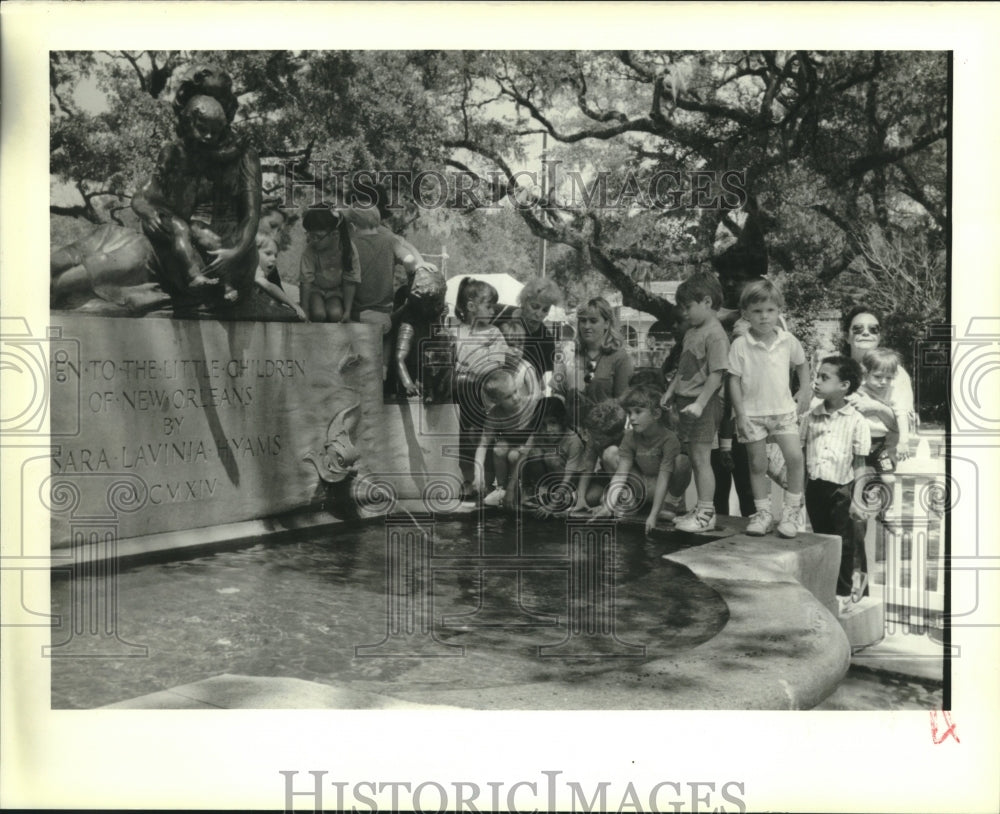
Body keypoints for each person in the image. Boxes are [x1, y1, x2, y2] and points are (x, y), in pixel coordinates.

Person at [727, 279, 811, 537]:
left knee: (795, 458)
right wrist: (740, 414)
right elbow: (733, 379)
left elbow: (802, 364)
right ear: (746, 314)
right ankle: (763, 513)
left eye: (770, 311)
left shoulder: (787, 340)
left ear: (778, 311)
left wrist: (805, 389)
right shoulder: (740, 345)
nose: (764, 317)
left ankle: (791, 512)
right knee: (757, 464)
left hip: (783, 411)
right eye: (757, 311)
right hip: (752, 414)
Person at [801, 355, 872, 611]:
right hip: (815, 488)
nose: (816, 382)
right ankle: (827, 593)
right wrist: (798, 492)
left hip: (842, 490)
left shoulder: (856, 420)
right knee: (821, 541)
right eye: (817, 376)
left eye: (824, 377)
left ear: (844, 385)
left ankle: (844, 594)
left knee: (844, 543)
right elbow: (800, 455)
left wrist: (856, 498)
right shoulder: (811, 417)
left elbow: (860, 463)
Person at [660, 273, 730, 533]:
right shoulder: (691, 333)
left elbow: (717, 374)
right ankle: (700, 508)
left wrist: (700, 404)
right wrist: (670, 390)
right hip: (685, 402)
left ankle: (706, 512)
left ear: (707, 302)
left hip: (704, 403)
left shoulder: (716, 335)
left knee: (701, 458)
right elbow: (683, 368)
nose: (685, 313)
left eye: (688, 307)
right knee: (693, 455)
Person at [343, 206, 427, 379]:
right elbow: (410, 259)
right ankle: (384, 368)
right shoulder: (390, 242)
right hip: (382, 316)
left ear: (352, 226)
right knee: (388, 330)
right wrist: (412, 273)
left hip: (356, 315)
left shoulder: (350, 244)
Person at [592, 384, 682, 535]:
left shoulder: (669, 439)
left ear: (656, 414)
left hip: (662, 487)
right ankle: (630, 501)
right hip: (643, 485)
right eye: (629, 413)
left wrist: (653, 515)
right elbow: (620, 474)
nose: (632, 418)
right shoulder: (630, 436)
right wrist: (608, 507)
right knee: (610, 453)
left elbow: (664, 477)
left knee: (682, 462)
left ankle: (667, 506)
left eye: (638, 412)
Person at [452, 278, 508, 500]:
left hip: (485, 398)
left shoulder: (494, 333)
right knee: (464, 439)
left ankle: (488, 480)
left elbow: (497, 364)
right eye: (488, 305)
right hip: (462, 399)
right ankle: (468, 480)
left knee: (484, 438)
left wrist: (470, 368)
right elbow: (452, 365)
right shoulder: (456, 333)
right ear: (471, 306)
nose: (493, 310)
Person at [551, 297, 634, 430]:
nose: (586, 326)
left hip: (605, 435)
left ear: (607, 323)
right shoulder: (567, 352)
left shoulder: (620, 357)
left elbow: (622, 403)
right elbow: (557, 393)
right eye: (583, 321)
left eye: (593, 321)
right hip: (571, 433)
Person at [841, 304, 915, 434]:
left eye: (873, 329)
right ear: (847, 337)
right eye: (858, 329)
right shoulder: (835, 369)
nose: (865, 333)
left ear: (879, 337)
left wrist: (877, 408)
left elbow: (906, 427)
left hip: (882, 448)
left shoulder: (897, 373)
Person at [476, 368, 543, 509]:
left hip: (534, 451)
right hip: (515, 450)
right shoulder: (495, 414)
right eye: (508, 397)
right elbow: (483, 444)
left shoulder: (533, 405)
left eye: (516, 391)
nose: (516, 397)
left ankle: (530, 490)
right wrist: (478, 473)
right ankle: (502, 488)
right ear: (496, 401)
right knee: (499, 448)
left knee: (514, 455)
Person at [492, 276, 564, 388]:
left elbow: (540, 383)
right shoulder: (498, 313)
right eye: (535, 306)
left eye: (545, 310)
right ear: (524, 301)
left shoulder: (547, 342)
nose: (539, 314)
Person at [852, 348, 912, 476]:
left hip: (882, 443)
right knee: (859, 477)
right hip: (857, 441)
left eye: (889, 378)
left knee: (887, 477)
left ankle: (888, 495)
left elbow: (901, 415)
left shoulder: (893, 392)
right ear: (865, 373)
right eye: (878, 376)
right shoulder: (857, 391)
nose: (883, 382)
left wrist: (904, 442)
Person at [298, 207, 360, 323]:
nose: (311, 239)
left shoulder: (348, 249)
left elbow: (349, 281)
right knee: (318, 314)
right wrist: (304, 311)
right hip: (314, 290)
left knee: (336, 315)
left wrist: (347, 311)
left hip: (335, 291)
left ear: (335, 234)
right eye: (309, 234)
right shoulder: (310, 250)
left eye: (317, 236)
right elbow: (306, 282)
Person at [567, 399, 628, 513]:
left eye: (599, 439)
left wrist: (606, 502)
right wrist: (581, 499)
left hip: (626, 481)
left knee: (610, 453)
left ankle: (621, 500)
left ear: (616, 435)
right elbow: (588, 467)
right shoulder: (595, 436)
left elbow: (624, 475)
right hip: (606, 476)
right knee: (588, 498)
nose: (595, 441)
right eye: (593, 436)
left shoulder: (627, 439)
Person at [254, 234, 307, 321]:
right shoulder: (254, 269)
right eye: (268, 253)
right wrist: (293, 305)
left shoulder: (270, 269)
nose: (274, 259)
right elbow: (269, 286)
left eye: (275, 255)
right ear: (253, 253)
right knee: (292, 315)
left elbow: (278, 293)